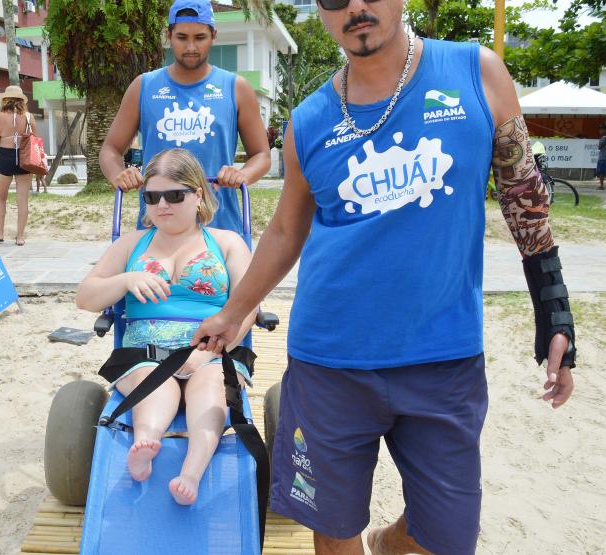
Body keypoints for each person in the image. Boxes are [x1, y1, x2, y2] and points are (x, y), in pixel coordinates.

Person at [190, 0, 577, 552]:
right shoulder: (309, 120)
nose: (356, 8)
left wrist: (553, 307)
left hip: (443, 359)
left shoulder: (477, 71)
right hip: (330, 363)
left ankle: (392, 542)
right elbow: (283, 233)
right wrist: (233, 313)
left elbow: (524, 195)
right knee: (336, 532)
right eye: (333, 0)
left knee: (445, 538)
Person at [76, 148, 256, 506]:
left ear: (198, 195)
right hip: (143, 352)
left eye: (174, 195)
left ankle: (192, 472)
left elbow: (248, 303)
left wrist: (219, 345)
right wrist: (126, 279)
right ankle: (146, 443)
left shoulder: (227, 243)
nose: (161, 205)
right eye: (151, 197)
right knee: (156, 384)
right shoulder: (130, 244)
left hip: (210, 348)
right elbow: (85, 297)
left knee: (210, 389)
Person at [99, 0, 271, 234]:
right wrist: (118, 174)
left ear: (213, 36)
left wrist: (242, 174)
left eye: (200, 37)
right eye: (182, 37)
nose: (191, 46)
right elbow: (110, 149)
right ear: (169, 36)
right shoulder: (144, 87)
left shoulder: (235, 88)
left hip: (220, 229)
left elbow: (262, 155)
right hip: (157, 229)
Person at [0, 85, 36, 246]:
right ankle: (20, 237)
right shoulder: (29, 117)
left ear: (5, 99)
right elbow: (35, 140)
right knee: (22, 199)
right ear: (22, 100)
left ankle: (0, 234)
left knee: (1, 198)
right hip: (24, 158)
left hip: (5, 157)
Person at [597, 124, 605, 190]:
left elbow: (599, 147)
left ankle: (601, 185)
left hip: (603, 158)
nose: (600, 131)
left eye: (601, 129)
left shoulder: (603, 138)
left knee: (601, 172)